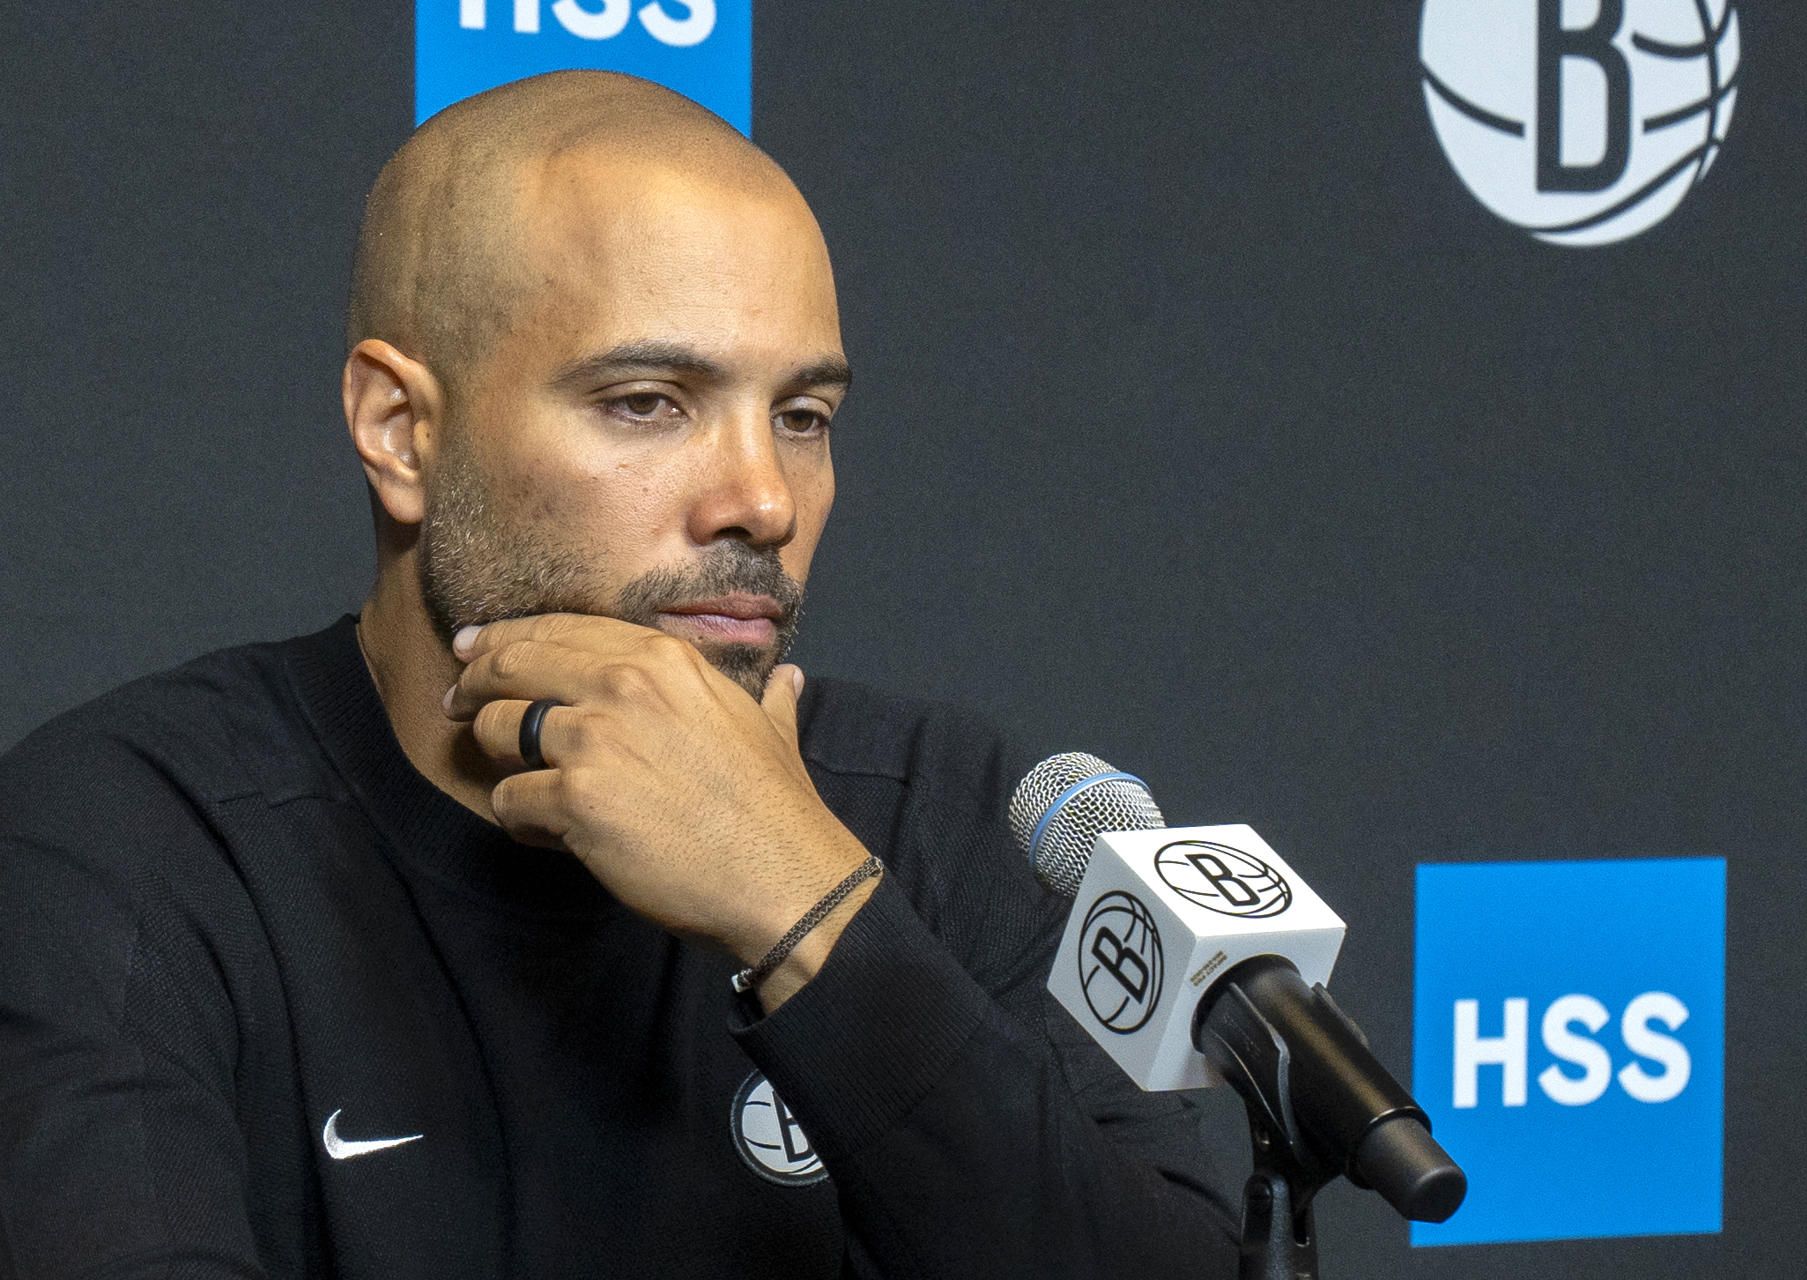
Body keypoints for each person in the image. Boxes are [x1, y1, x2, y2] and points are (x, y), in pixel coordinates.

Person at [0, 71, 1236, 1278]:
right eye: (649, 402)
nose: (760, 497)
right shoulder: (128, 841)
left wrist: (812, 910)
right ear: (401, 432)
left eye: (802, 415)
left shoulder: (949, 812)